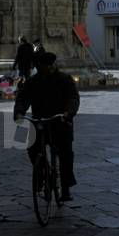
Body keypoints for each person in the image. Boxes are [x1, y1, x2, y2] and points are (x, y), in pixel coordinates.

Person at [13, 51, 80, 201]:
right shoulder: (33, 82)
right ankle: (43, 173)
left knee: (66, 153)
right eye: (43, 66)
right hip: (40, 121)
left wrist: (68, 113)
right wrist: (19, 113)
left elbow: (73, 98)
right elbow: (23, 98)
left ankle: (66, 187)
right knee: (32, 148)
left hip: (60, 120)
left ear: (53, 65)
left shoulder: (65, 80)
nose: (47, 68)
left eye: (49, 65)